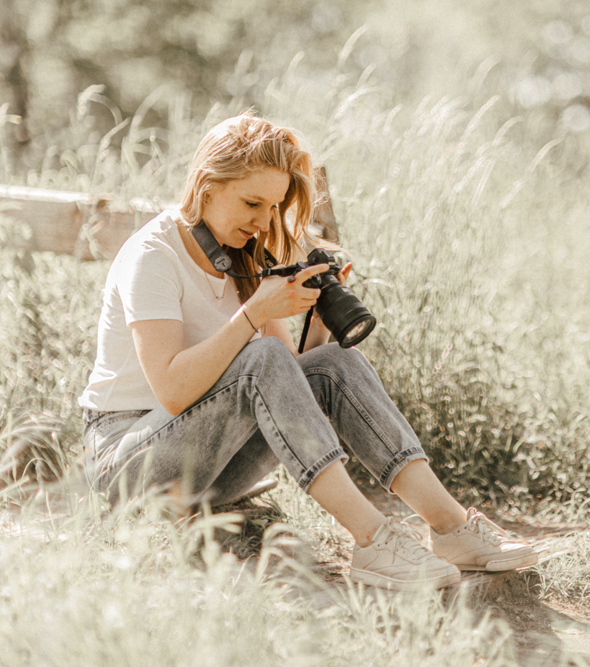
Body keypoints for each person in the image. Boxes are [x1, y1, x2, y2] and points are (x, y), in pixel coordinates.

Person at [78, 112, 537, 590]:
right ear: (206, 186)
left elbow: (288, 382)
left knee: (335, 362)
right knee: (259, 359)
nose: (262, 222)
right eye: (252, 202)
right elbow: (172, 391)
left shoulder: (243, 254)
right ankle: (375, 540)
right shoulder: (153, 255)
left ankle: (452, 527)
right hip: (127, 462)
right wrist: (253, 314)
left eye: (273, 207)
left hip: (214, 465)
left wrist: (317, 320)